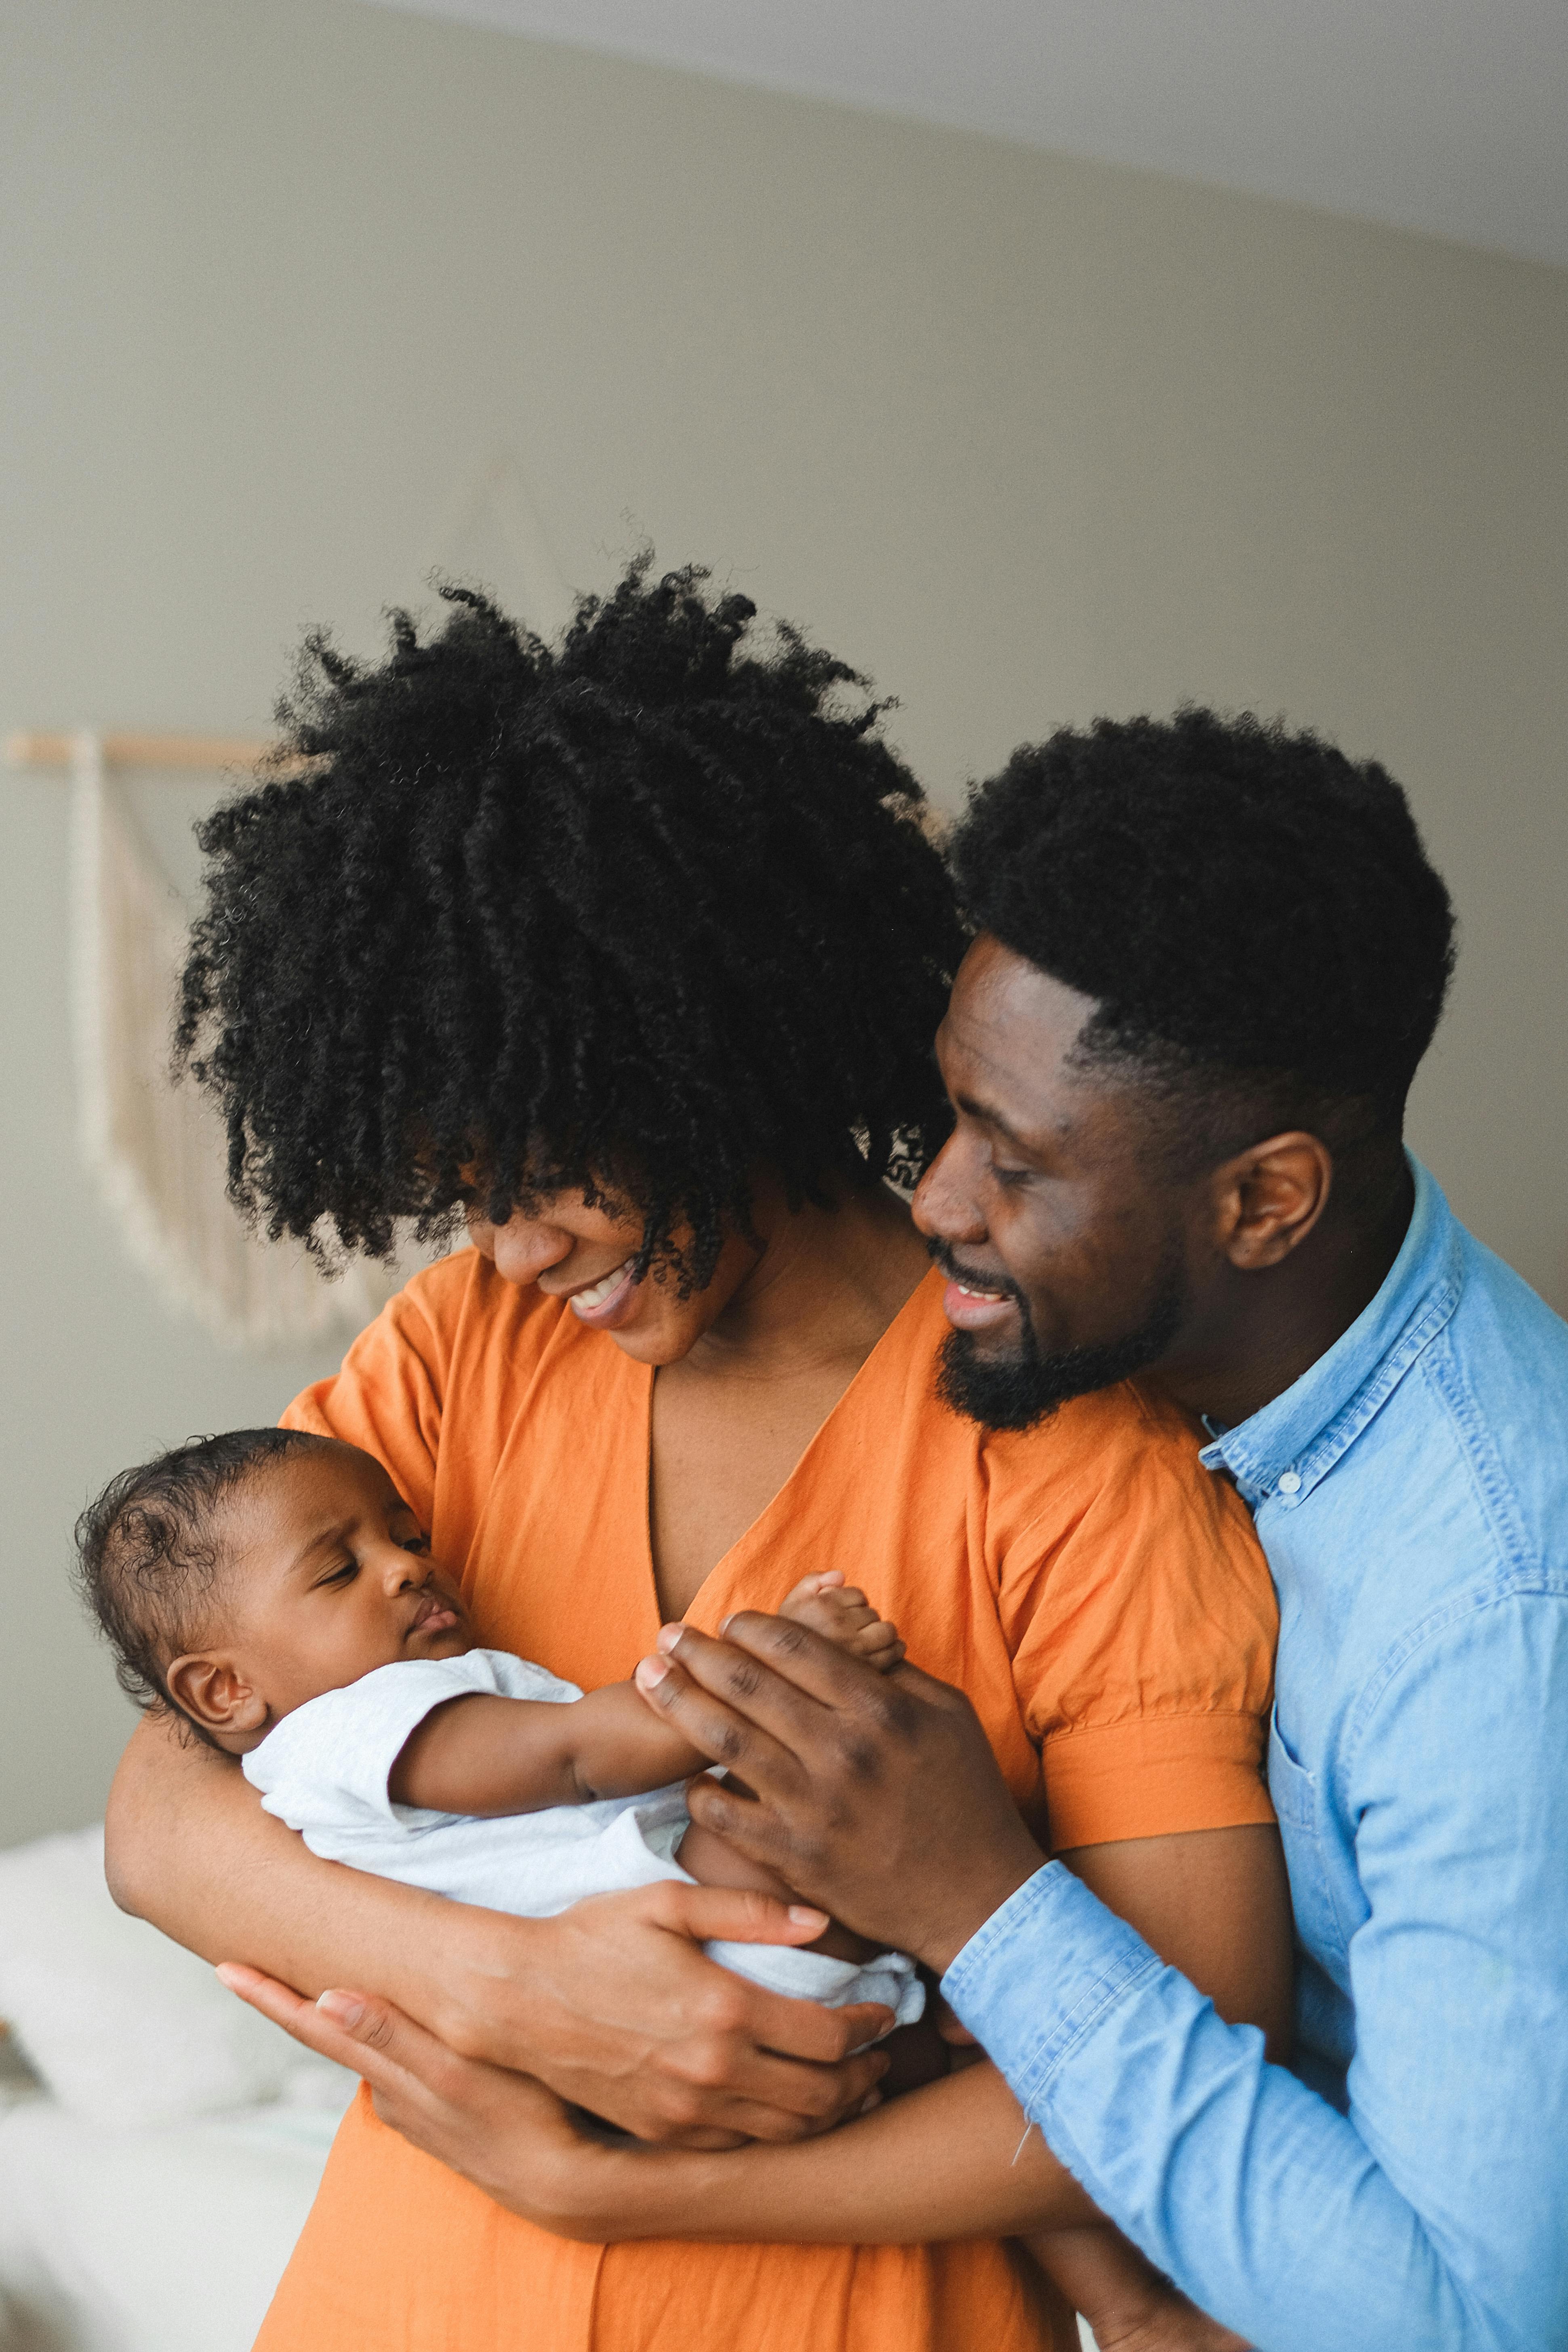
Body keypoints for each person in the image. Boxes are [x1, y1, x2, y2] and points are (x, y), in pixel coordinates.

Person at [105, 574, 1286, 2352]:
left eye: (553, 1165)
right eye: (467, 1193)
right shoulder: (457, 1353)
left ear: (716, 1047)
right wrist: (517, 1993)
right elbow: (161, 1816)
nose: (514, 1251)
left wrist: (632, 2179)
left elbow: (1189, 2057)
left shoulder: (1076, 1464)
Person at [605, 712, 1568, 2350]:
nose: (935, 1203)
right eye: (950, 1117)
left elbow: (1463, 2322)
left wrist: (975, 1900)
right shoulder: (1139, 1378)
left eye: (1020, 1162)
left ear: (1266, 1202)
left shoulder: (1490, 1608)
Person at [76, 1428, 921, 2020]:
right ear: (225, 1689)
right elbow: (576, 1754)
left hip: (712, 1964)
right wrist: (773, 1666)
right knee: (770, 1804)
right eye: (341, 1570)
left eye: (408, 1535)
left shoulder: (391, 1704)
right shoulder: (350, 1731)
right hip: (690, 1953)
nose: (408, 1564)